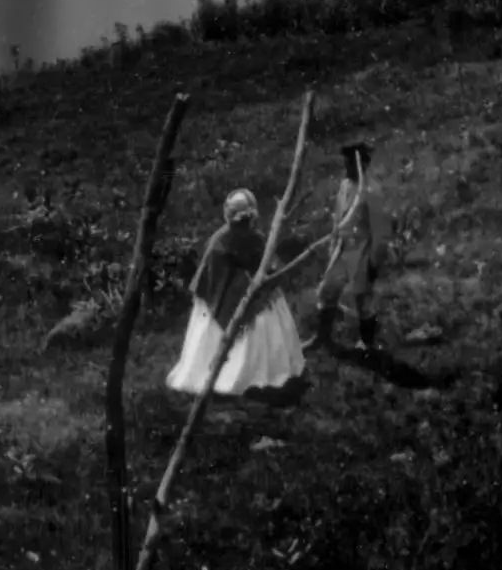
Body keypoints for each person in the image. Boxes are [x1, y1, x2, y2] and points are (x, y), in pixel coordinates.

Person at [165, 189, 306, 400]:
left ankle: (257, 374)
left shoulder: (255, 240)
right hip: (224, 302)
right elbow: (213, 281)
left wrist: (261, 282)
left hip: (254, 296)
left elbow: (268, 266)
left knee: (263, 317)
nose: (246, 225)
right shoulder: (219, 244)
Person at [313, 142, 385, 352]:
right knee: (327, 290)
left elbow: (380, 232)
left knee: (362, 299)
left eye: (351, 163)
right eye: (346, 163)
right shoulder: (345, 185)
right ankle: (322, 337)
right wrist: (333, 246)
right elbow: (338, 217)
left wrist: (373, 262)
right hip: (341, 250)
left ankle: (367, 344)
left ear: (362, 164)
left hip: (361, 252)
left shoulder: (372, 190)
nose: (347, 167)